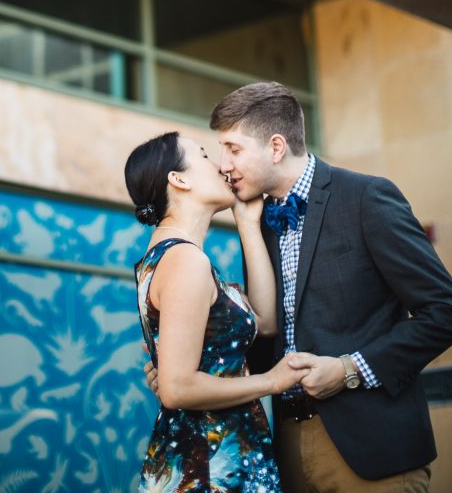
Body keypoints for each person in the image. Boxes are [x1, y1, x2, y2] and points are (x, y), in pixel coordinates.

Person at [143, 81, 452, 493]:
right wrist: (185, 369)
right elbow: (266, 344)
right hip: (286, 451)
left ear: (276, 147)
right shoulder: (255, 221)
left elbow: (447, 312)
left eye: (233, 149)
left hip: (373, 451)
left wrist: (350, 369)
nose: (224, 164)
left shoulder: (367, 198)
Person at [125, 130, 312, 492]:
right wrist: (273, 381)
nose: (222, 166)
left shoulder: (170, 256)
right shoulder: (184, 260)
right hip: (209, 465)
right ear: (178, 180)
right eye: (204, 156)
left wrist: (247, 224)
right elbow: (177, 389)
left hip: (213, 456)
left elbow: (266, 322)